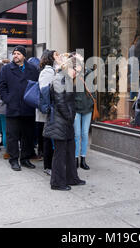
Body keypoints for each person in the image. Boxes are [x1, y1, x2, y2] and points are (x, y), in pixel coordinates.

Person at [43, 54, 86, 191]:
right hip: (59, 121)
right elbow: (60, 102)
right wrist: (69, 116)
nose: (77, 73)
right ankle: (57, 182)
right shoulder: (59, 78)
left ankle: (71, 178)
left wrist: (70, 117)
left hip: (66, 121)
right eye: (76, 70)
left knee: (70, 150)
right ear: (70, 67)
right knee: (60, 153)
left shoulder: (66, 78)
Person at [0, 46, 39, 171]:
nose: (15, 55)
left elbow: (37, 86)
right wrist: (8, 99)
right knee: (12, 136)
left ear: (24, 56)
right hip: (13, 107)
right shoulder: (6, 69)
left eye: (18, 53)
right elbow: (0, 87)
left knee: (28, 135)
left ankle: (25, 158)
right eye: (14, 53)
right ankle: (14, 159)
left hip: (28, 108)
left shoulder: (32, 69)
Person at [36, 50, 60, 176]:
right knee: (48, 137)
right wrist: (48, 108)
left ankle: (51, 164)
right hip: (49, 110)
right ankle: (48, 166)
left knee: (50, 136)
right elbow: (44, 91)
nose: (59, 56)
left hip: (52, 109)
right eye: (56, 55)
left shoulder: (54, 70)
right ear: (50, 58)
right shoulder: (47, 71)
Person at [73, 54, 94, 170]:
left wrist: (91, 102)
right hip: (76, 108)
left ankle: (83, 159)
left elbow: (93, 90)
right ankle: (75, 158)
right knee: (77, 134)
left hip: (87, 108)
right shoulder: (72, 74)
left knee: (85, 134)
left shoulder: (89, 73)